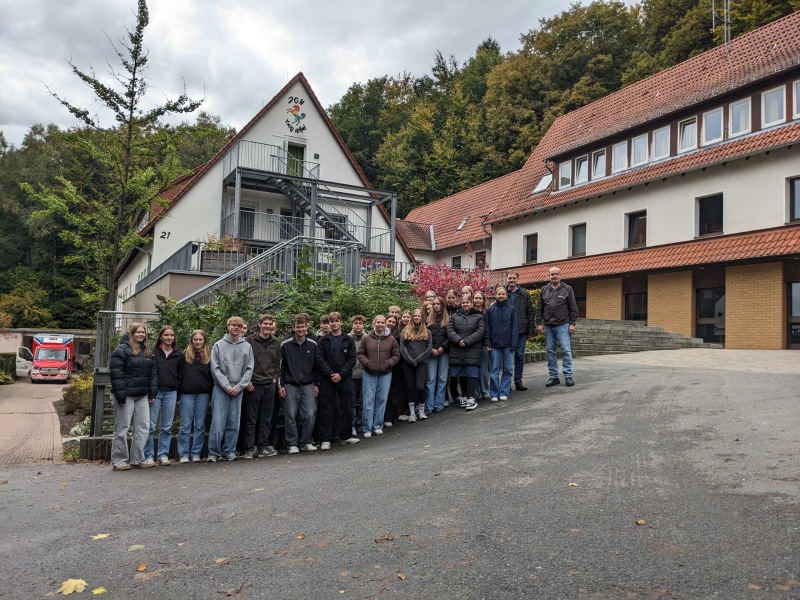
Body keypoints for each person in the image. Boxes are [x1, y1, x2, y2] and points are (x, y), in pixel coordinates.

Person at [109, 323, 158, 470]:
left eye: (143, 332)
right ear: (131, 333)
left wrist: (152, 392)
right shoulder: (121, 350)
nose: (141, 334)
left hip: (142, 395)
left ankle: (137, 459)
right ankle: (119, 461)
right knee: (122, 428)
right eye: (138, 332)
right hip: (125, 395)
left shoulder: (147, 351)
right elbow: (116, 373)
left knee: (143, 427)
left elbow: (153, 374)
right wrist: (120, 395)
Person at [208, 316, 254, 462]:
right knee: (218, 422)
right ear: (228, 326)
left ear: (242, 329)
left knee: (234, 422)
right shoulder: (218, 345)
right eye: (233, 325)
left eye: (239, 326)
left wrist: (239, 386)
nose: (236, 328)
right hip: (221, 388)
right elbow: (215, 368)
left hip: (238, 389)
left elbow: (249, 369)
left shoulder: (247, 347)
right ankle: (214, 453)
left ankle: (230, 451)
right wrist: (227, 386)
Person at [279, 315, 322, 454]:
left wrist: (316, 384)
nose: (300, 329)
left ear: (306, 327)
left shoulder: (313, 344)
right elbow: (281, 367)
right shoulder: (285, 344)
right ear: (294, 328)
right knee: (290, 415)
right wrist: (281, 385)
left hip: (308, 384)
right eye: (298, 327)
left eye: (302, 326)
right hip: (290, 384)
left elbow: (317, 366)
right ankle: (292, 443)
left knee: (309, 414)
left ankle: (306, 441)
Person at [317, 312, 360, 449]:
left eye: (336, 321)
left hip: (345, 378)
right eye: (331, 321)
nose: (334, 323)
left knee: (347, 406)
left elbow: (352, 359)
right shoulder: (323, 341)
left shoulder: (348, 340)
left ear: (341, 322)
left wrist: (341, 374)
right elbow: (320, 359)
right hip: (327, 379)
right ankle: (326, 439)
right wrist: (331, 374)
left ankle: (346, 436)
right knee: (327, 408)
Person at [242, 314, 281, 459]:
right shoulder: (249, 341)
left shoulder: (276, 343)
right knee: (251, 418)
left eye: (270, 324)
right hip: (254, 385)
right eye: (265, 323)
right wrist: (247, 381)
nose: (268, 326)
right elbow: (244, 362)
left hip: (269, 384)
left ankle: (262, 446)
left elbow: (278, 363)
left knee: (266, 418)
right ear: (259, 325)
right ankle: (249, 448)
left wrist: (274, 378)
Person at [146, 325, 184, 466]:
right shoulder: (153, 353)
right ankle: (149, 455)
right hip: (156, 393)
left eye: (171, 335)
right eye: (166, 335)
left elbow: (180, 375)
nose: (169, 337)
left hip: (171, 393)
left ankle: (163, 454)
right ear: (161, 337)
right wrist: (151, 391)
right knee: (150, 426)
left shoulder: (178, 355)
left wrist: (178, 395)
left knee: (166, 427)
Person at [357, 315, 399, 438]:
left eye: (382, 322)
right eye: (378, 322)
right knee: (368, 401)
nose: (380, 324)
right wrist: (368, 364)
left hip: (385, 374)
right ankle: (367, 428)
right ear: (374, 323)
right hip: (369, 374)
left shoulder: (391, 339)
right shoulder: (367, 338)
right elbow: (360, 353)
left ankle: (377, 425)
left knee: (381, 400)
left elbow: (396, 355)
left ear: (385, 324)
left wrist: (388, 364)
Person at [536, 267, 579, 387]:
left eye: (556, 274)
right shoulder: (544, 290)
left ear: (560, 275)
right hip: (548, 326)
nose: (554, 276)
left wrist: (572, 323)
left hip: (563, 325)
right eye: (552, 274)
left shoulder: (567, 289)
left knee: (566, 351)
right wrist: (539, 323)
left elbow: (573, 308)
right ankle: (553, 377)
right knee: (550, 352)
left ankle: (568, 376)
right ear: (549, 276)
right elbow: (539, 308)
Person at [178, 330, 214, 463]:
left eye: (200, 340)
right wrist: (178, 395)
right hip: (187, 394)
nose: (198, 342)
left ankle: (196, 453)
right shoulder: (184, 355)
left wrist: (211, 395)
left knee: (200, 425)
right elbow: (179, 375)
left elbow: (212, 377)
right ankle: (183, 454)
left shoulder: (210, 355)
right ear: (191, 341)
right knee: (185, 425)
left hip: (203, 394)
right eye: (195, 340)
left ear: (204, 341)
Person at [447, 295, 485, 411]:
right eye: (463, 302)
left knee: (471, 373)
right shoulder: (454, 316)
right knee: (461, 373)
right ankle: (464, 396)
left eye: (467, 302)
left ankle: (471, 398)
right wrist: (459, 340)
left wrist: (467, 341)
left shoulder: (479, 316)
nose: (465, 304)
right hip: (457, 348)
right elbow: (450, 330)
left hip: (473, 348)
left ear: (471, 303)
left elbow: (480, 331)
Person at [485, 286, 518, 401]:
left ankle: (504, 391)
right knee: (494, 369)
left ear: (506, 295)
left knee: (508, 369)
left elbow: (515, 327)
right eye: (499, 294)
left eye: (503, 294)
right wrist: (488, 342)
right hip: (494, 344)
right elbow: (488, 328)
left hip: (508, 344)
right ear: (496, 295)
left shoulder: (512, 309)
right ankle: (494, 393)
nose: (501, 296)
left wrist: (513, 343)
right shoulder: (490, 310)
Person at [400, 308, 432, 422]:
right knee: (410, 387)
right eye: (415, 316)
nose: (417, 318)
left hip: (422, 363)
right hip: (408, 363)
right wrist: (410, 360)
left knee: (420, 387)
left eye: (419, 316)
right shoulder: (405, 331)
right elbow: (403, 347)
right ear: (412, 317)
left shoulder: (427, 332)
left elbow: (429, 348)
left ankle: (422, 410)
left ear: (422, 317)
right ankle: (412, 412)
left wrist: (418, 360)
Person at [506, 270, 535, 391]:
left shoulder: (524, 294)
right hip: (507, 330)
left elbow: (530, 312)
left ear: (518, 279)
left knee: (519, 355)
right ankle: (506, 383)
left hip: (521, 330)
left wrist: (531, 331)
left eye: (514, 278)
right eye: (510, 278)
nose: (512, 280)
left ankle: (518, 381)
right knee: (507, 357)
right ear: (507, 279)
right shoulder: (503, 292)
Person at [425, 297, 450, 413]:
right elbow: (425, 337)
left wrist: (443, 347)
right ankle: (429, 405)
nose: (435, 306)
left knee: (442, 378)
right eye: (434, 304)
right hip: (432, 353)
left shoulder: (448, 320)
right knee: (431, 379)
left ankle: (439, 403)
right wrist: (431, 349)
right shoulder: (427, 321)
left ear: (442, 305)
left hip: (444, 352)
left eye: (438, 304)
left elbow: (451, 336)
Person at [348, 315, 367, 436]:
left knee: (364, 401)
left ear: (363, 325)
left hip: (365, 374)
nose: (358, 325)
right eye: (356, 323)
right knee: (352, 402)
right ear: (352, 325)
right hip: (351, 375)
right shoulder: (347, 338)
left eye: (360, 323)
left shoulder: (367, 337)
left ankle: (361, 423)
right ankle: (352, 425)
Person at [472, 290, 491, 401]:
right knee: (473, 369)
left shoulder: (487, 313)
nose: (478, 300)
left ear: (483, 300)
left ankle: (485, 391)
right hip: (472, 345)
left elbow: (489, 328)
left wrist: (488, 342)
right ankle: (475, 392)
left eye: (480, 298)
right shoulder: (470, 312)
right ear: (473, 299)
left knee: (484, 369)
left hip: (484, 344)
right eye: (476, 298)